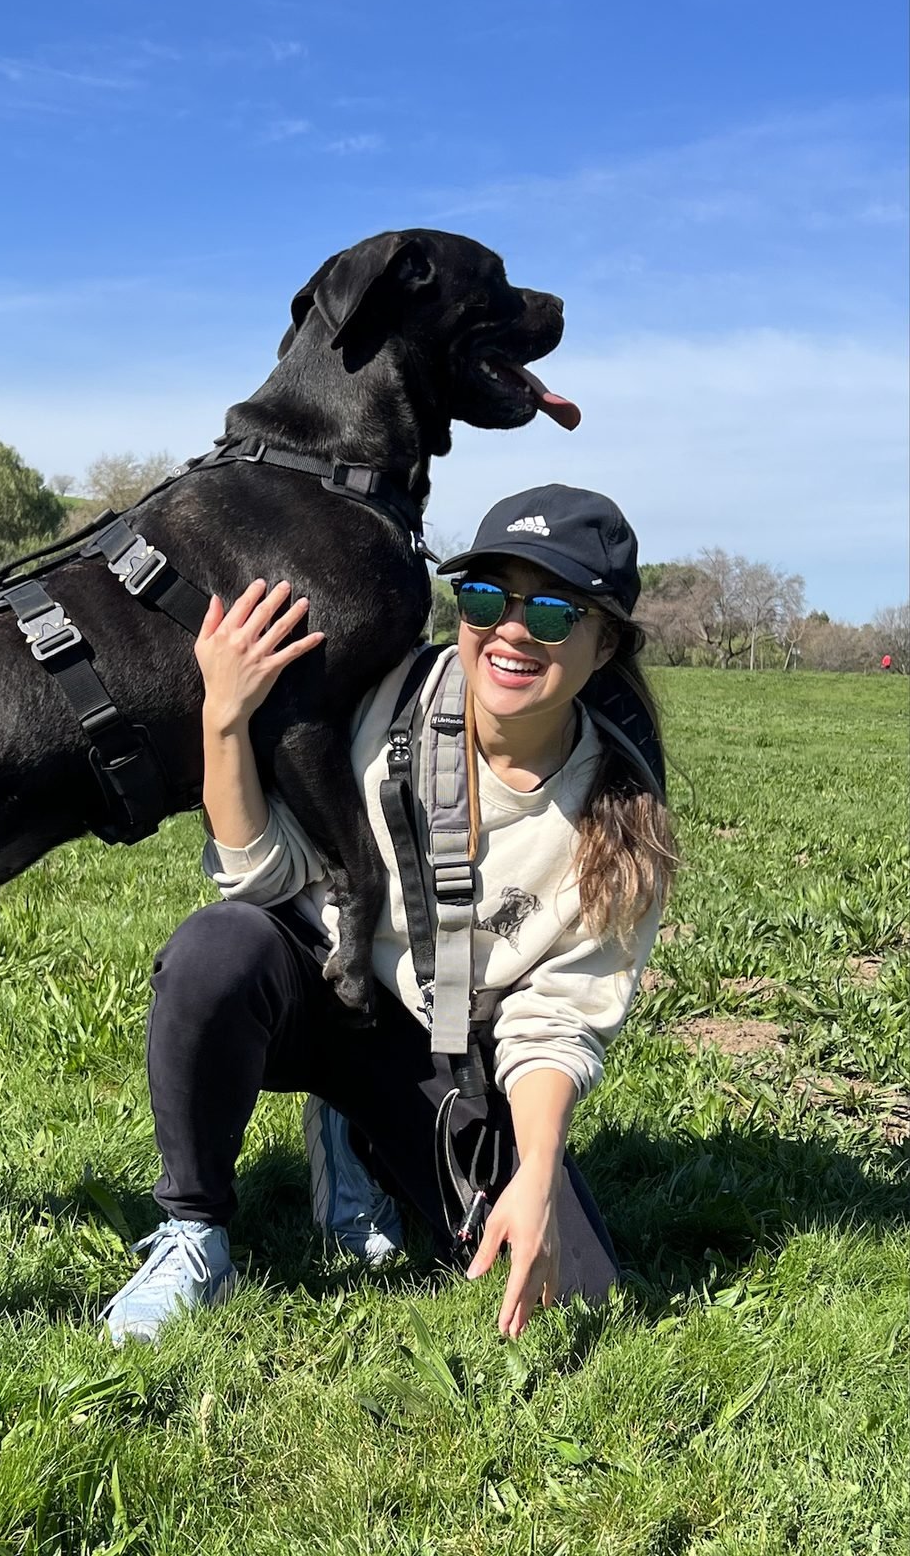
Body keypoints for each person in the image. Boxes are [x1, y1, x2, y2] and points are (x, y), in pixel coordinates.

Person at [101, 484, 676, 1344]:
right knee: (216, 948)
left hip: (443, 1048)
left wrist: (539, 1175)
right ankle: (194, 1229)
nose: (511, 631)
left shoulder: (619, 816)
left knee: (573, 1296)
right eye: (487, 597)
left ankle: (355, 1133)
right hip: (325, 988)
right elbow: (262, 879)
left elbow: (557, 1020)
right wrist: (224, 719)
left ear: (605, 644)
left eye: (553, 612)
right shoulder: (379, 697)